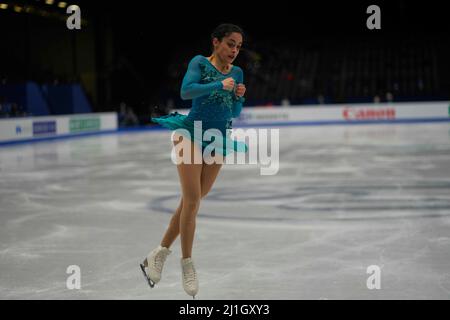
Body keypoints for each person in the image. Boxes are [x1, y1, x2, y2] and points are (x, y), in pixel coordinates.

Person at [140, 23, 248, 298]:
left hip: (218, 137)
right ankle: (187, 263)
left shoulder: (237, 72)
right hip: (190, 132)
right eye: (230, 44)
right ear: (216, 43)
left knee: (194, 200)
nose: (234, 50)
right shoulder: (199, 63)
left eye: (238, 46)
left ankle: (158, 253)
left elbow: (232, 111)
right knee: (191, 200)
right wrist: (218, 84)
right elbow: (186, 92)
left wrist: (238, 98)